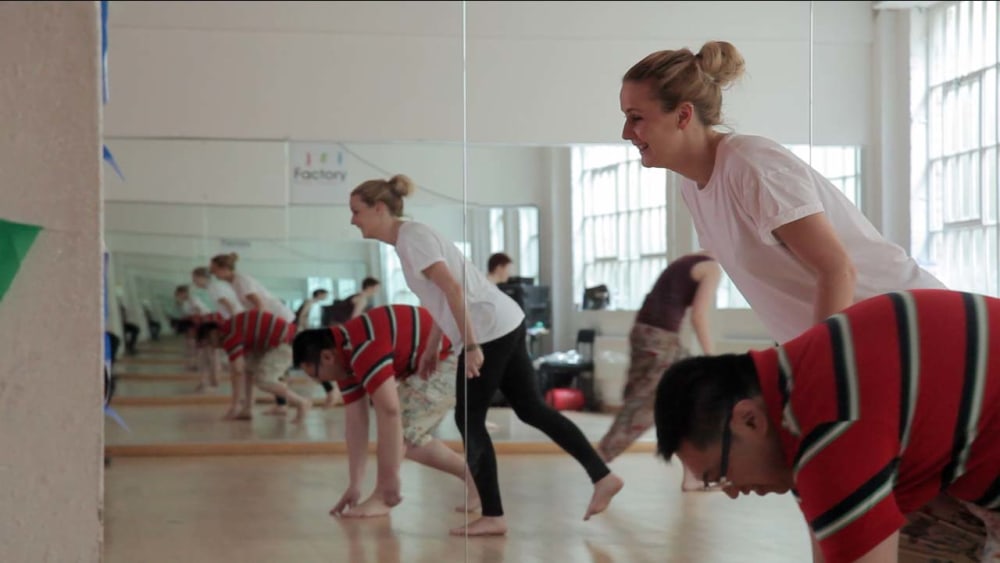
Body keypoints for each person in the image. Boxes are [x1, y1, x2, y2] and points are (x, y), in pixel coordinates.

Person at [348, 173, 624, 537]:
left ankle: (494, 514)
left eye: (357, 211)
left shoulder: (413, 238)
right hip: (501, 322)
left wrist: (472, 345)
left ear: (379, 209)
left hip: (489, 329)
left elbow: (453, 288)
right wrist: (433, 346)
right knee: (530, 409)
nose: (352, 220)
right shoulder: (408, 239)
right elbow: (440, 296)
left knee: (469, 419)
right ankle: (602, 477)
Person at [619, 40, 945, 344]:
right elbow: (778, 292)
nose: (626, 133)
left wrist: (820, 363)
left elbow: (837, 269)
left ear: (683, 115)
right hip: (867, 342)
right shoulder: (691, 187)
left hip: (917, 326)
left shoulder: (751, 163)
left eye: (636, 118)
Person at [653, 288, 1000, 563]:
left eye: (719, 475)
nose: (731, 491)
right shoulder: (799, 390)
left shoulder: (829, 429)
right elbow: (834, 544)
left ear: (748, 420)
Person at [292, 304, 481, 518]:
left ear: (327, 357)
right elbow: (356, 423)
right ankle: (476, 480)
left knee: (404, 431)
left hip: (453, 357)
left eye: (315, 375)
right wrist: (355, 485)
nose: (319, 382)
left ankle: (384, 496)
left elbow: (390, 411)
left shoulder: (362, 346)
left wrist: (387, 481)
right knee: (407, 435)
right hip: (440, 357)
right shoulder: (345, 357)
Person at [596, 251, 720, 481]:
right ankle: (598, 460)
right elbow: (699, 316)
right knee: (646, 404)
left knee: (683, 397)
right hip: (660, 340)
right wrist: (712, 358)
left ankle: (693, 475)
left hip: (642, 332)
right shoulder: (711, 268)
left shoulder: (687, 260)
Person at [210, 253, 301, 415]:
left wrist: (258, 328)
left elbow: (261, 305)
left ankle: (288, 403)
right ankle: (272, 405)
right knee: (255, 365)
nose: (212, 273)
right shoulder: (235, 283)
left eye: (214, 269)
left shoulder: (241, 281)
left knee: (272, 367)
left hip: (280, 320)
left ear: (224, 269)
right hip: (274, 322)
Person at [196, 309, 311, 423]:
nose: (213, 347)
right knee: (248, 368)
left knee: (264, 380)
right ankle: (247, 409)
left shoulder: (229, 335)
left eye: (209, 342)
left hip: (287, 341)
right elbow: (243, 368)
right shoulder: (231, 328)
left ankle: (301, 402)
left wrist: (235, 406)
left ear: (213, 333)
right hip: (279, 340)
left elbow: (237, 371)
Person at [294, 288, 342, 407]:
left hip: (307, 335)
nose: (326, 297)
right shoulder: (310, 302)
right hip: (305, 336)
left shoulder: (314, 304)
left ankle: (330, 391)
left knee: (313, 364)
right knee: (311, 364)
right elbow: (302, 317)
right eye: (325, 295)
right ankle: (330, 391)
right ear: (320, 294)